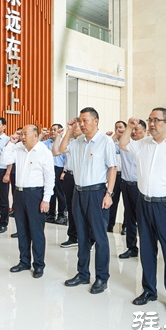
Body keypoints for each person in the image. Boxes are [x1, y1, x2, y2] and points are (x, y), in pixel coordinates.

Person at [120, 108, 166, 312]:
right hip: (144, 203)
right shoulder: (143, 143)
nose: (152, 124)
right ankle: (149, 290)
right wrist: (130, 126)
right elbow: (123, 144)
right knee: (147, 249)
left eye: (156, 120)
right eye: (150, 120)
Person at [58, 108, 118, 294]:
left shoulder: (105, 141)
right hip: (79, 193)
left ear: (96, 121)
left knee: (99, 237)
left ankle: (102, 277)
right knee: (82, 236)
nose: (82, 124)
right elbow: (61, 149)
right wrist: (70, 129)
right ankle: (83, 273)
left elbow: (112, 168)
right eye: (80, 121)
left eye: (85, 120)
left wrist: (109, 193)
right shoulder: (78, 141)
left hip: (97, 193)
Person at [0, 125, 55, 278]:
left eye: (26, 134)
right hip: (19, 193)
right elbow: (3, 160)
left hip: (35, 194)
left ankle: (39, 265)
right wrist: (11, 143)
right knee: (22, 230)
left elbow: (50, 177)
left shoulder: (44, 152)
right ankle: (24, 261)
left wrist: (46, 199)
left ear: (35, 135)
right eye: (22, 134)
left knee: (36, 232)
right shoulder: (18, 148)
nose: (22, 137)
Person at [118, 119, 146, 259]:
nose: (134, 132)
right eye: (132, 129)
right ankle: (131, 247)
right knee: (129, 218)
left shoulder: (147, 145)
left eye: (137, 129)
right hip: (126, 184)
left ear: (145, 131)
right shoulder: (125, 144)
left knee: (143, 219)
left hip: (140, 186)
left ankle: (146, 249)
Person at [55, 120, 82, 248]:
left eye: (76, 127)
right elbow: (56, 151)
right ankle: (73, 236)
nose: (74, 129)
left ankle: (86, 238)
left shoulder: (86, 143)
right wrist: (60, 135)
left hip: (81, 177)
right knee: (71, 208)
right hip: (69, 176)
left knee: (82, 209)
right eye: (72, 127)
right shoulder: (71, 142)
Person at [40, 124, 67, 225]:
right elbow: (36, 144)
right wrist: (42, 135)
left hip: (60, 169)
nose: (52, 132)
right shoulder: (47, 142)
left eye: (55, 130)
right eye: (51, 130)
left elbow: (67, 159)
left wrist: (64, 171)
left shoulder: (64, 142)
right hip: (49, 169)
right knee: (50, 191)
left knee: (60, 193)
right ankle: (51, 214)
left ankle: (61, 215)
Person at [106, 121, 126, 233]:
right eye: (116, 127)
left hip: (126, 176)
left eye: (121, 127)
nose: (119, 129)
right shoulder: (112, 142)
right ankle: (109, 224)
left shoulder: (129, 142)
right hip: (115, 175)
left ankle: (126, 226)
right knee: (113, 201)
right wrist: (114, 136)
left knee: (128, 204)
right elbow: (107, 148)